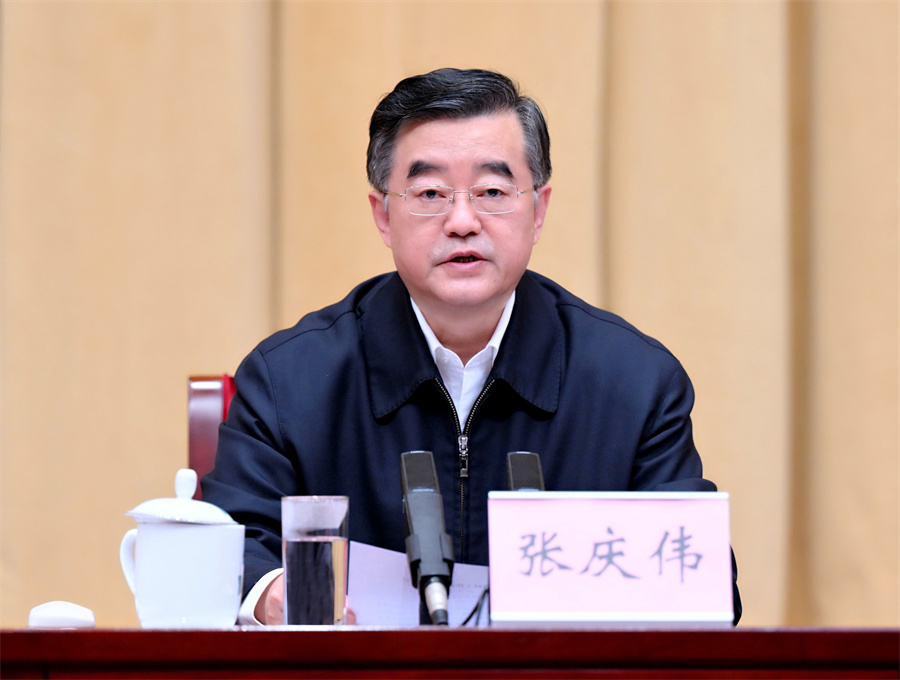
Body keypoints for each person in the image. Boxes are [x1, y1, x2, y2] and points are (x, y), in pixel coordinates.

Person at [201, 67, 741, 626]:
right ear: (384, 216)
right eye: (430, 193)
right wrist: (270, 593)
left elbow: (703, 583)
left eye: (492, 192)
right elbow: (228, 545)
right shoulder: (290, 380)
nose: (462, 221)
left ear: (539, 211)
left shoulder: (636, 383)